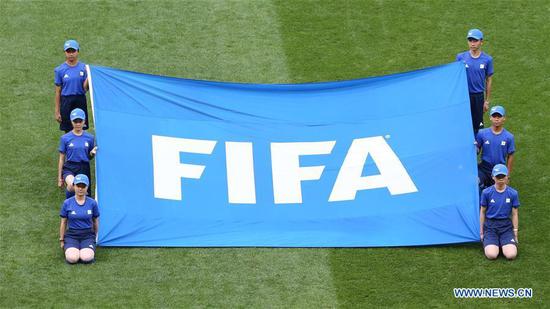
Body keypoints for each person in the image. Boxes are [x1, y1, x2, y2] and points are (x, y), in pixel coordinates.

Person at [456, 28, 494, 134]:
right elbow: (456, 78)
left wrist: (486, 101)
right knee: (464, 122)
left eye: (475, 41)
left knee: (478, 125)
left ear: (481, 42)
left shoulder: (487, 60)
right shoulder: (460, 57)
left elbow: (489, 80)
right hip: (464, 96)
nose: (472, 43)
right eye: (470, 40)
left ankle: (477, 148)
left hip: (478, 97)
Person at [480, 164, 519, 260]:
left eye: (503, 176)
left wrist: (515, 233)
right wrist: (481, 232)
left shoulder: (513, 193)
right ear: (493, 177)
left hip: (506, 227)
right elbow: (482, 212)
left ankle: (502, 243)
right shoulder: (486, 193)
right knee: (492, 255)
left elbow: (514, 214)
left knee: (511, 255)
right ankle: (495, 243)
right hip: (490, 227)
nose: (500, 179)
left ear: (507, 177)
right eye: (498, 176)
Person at [59, 174, 99, 264]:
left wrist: (95, 237)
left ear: (87, 187)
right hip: (72, 235)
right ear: (74, 186)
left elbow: (95, 221)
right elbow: (63, 222)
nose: (80, 189)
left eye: (83, 186)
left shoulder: (92, 203)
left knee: (86, 258)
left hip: (88, 236)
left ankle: (84, 250)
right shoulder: (67, 203)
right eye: (78, 186)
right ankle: (74, 250)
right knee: (72, 258)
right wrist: (61, 240)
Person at [58, 108, 97, 198]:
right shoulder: (65, 138)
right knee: (72, 185)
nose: (78, 124)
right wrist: (60, 178)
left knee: (84, 194)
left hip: (84, 167)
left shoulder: (90, 138)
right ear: (72, 122)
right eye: (75, 121)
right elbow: (61, 158)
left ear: (84, 121)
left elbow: (88, 156)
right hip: (70, 167)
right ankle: (68, 204)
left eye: (80, 121)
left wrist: (91, 154)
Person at [476, 105, 515, 191]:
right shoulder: (482, 133)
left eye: (499, 116)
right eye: (494, 116)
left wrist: (507, 175)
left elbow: (511, 155)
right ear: (490, 118)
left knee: (496, 193)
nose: (496, 119)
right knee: (476, 183)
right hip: (484, 168)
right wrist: (474, 148)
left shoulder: (509, 137)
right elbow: (477, 151)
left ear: (504, 118)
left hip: (499, 170)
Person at [54, 39, 89, 132]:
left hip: (80, 100)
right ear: (65, 52)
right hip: (66, 101)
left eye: (73, 51)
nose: (71, 54)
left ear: (78, 51)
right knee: (68, 129)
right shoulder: (59, 70)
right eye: (68, 51)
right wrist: (57, 111)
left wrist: (89, 77)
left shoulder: (84, 68)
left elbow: (85, 88)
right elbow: (58, 92)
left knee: (81, 128)